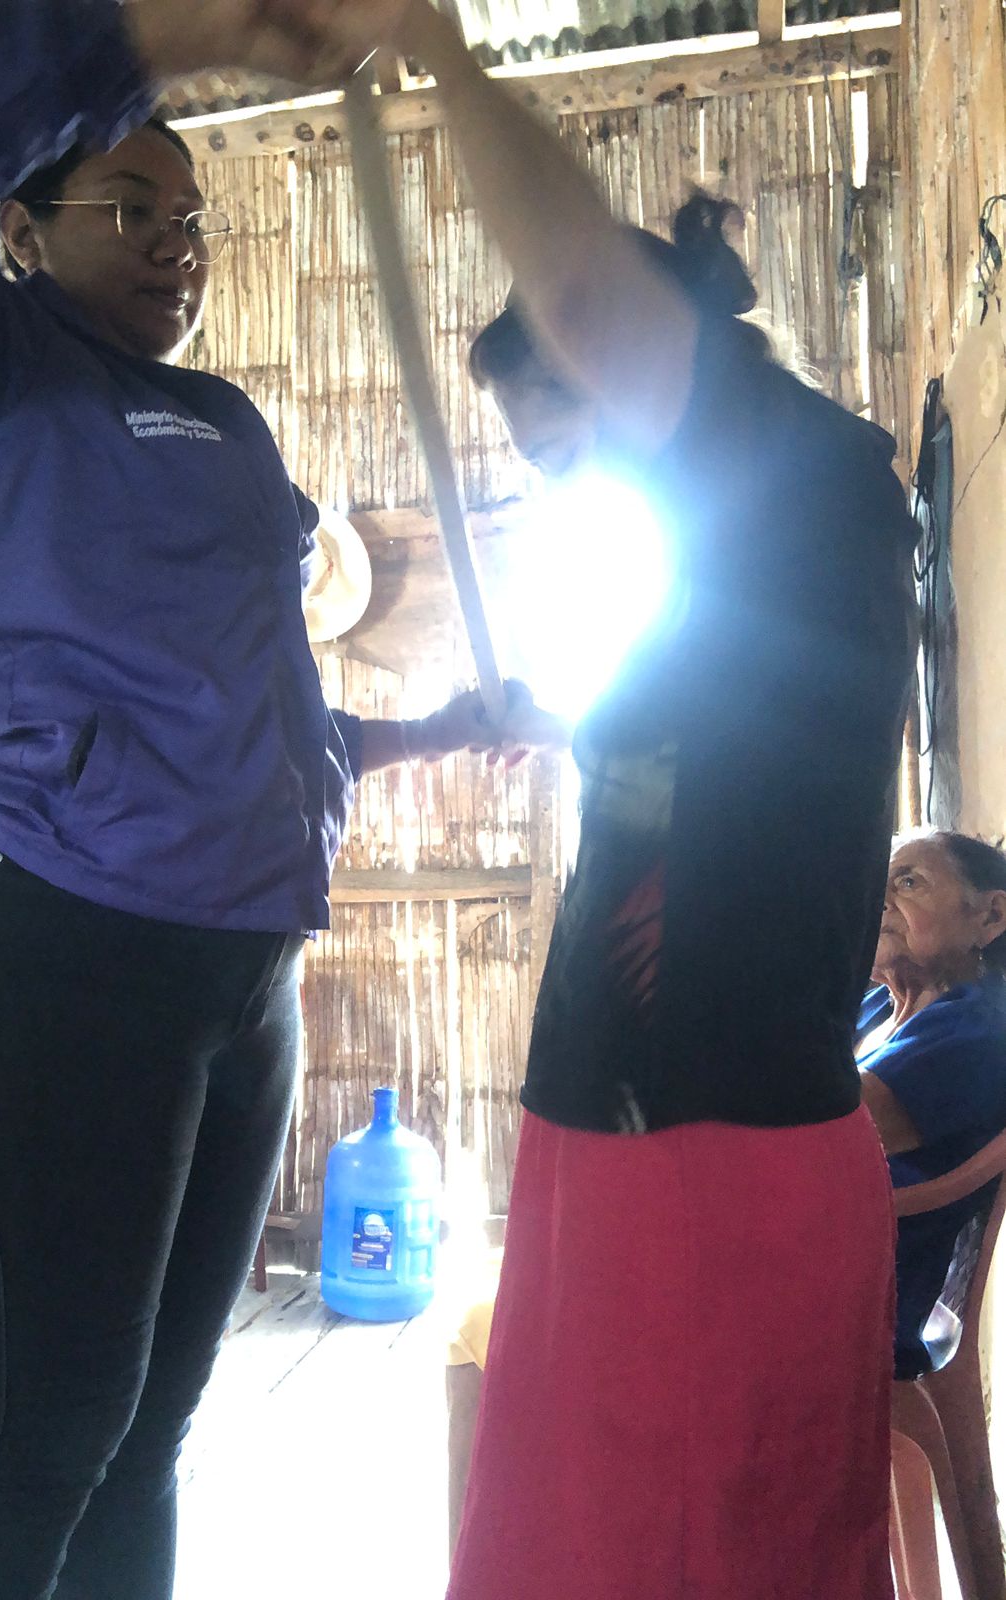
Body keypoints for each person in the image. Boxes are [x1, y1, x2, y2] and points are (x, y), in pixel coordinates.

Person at [0, 3, 557, 1596]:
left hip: (236, 976)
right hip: (46, 950)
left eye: (191, 216)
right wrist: (181, 30)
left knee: (145, 1435)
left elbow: (253, 734)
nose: (175, 243)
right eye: (131, 207)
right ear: (21, 229)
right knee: (26, 1453)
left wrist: (441, 728)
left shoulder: (222, 423)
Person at [280, 2, 919, 1595]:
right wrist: (561, 721)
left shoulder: (772, 464)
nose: (558, 471)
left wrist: (429, 45)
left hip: (702, 1137)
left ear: (628, 365)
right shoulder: (763, 516)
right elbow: (735, 755)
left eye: (559, 438)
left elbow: (572, 286)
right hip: (662, 1120)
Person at [859, 830, 1006, 1378]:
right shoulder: (880, 1005)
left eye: (908, 882)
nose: (879, 901)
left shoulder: (979, 1028)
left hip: (860, 1286)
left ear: (990, 917)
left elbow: (821, 1127)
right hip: (811, 1246)